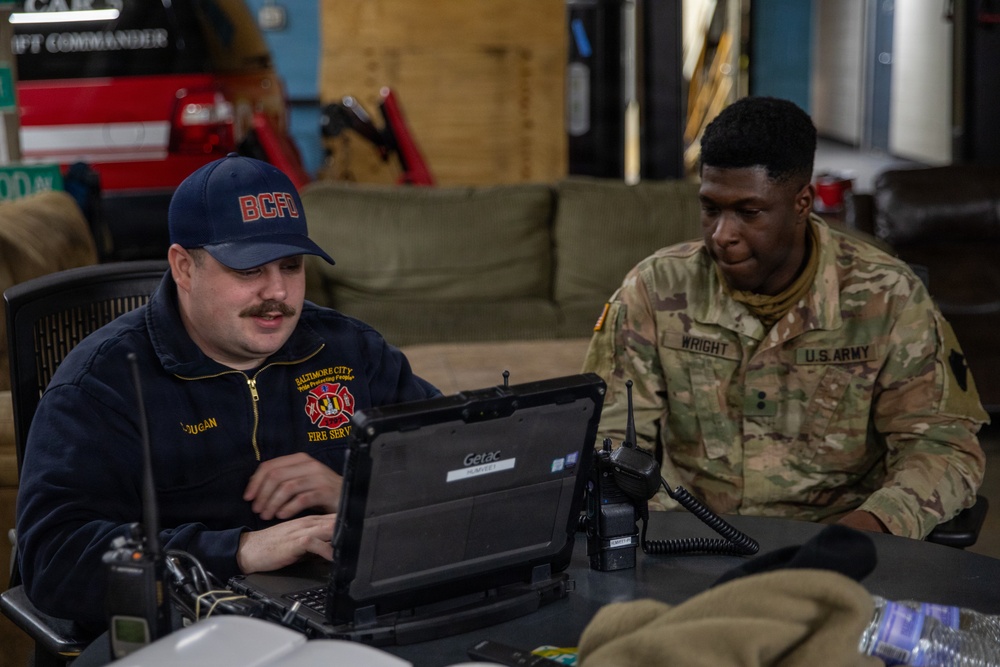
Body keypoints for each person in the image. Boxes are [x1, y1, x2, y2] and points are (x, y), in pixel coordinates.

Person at [14, 154, 439, 630]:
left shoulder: (352, 350)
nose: (277, 291)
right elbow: (54, 561)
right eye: (249, 269)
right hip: (182, 630)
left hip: (338, 615)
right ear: (184, 267)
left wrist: (356, 496)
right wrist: (239, 550)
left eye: (291, 265)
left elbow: (458, 464)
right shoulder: (100, 384)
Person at [582, 96, 987, 540]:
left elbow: (943, 447)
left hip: (839, 545)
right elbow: (610, 440)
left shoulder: (887, 297)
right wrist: (654, 527)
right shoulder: (655, 289)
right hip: (687, 540)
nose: (722, 235)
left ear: (802, 203)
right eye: (711, 208)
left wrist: (870, 527)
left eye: (748, 212)